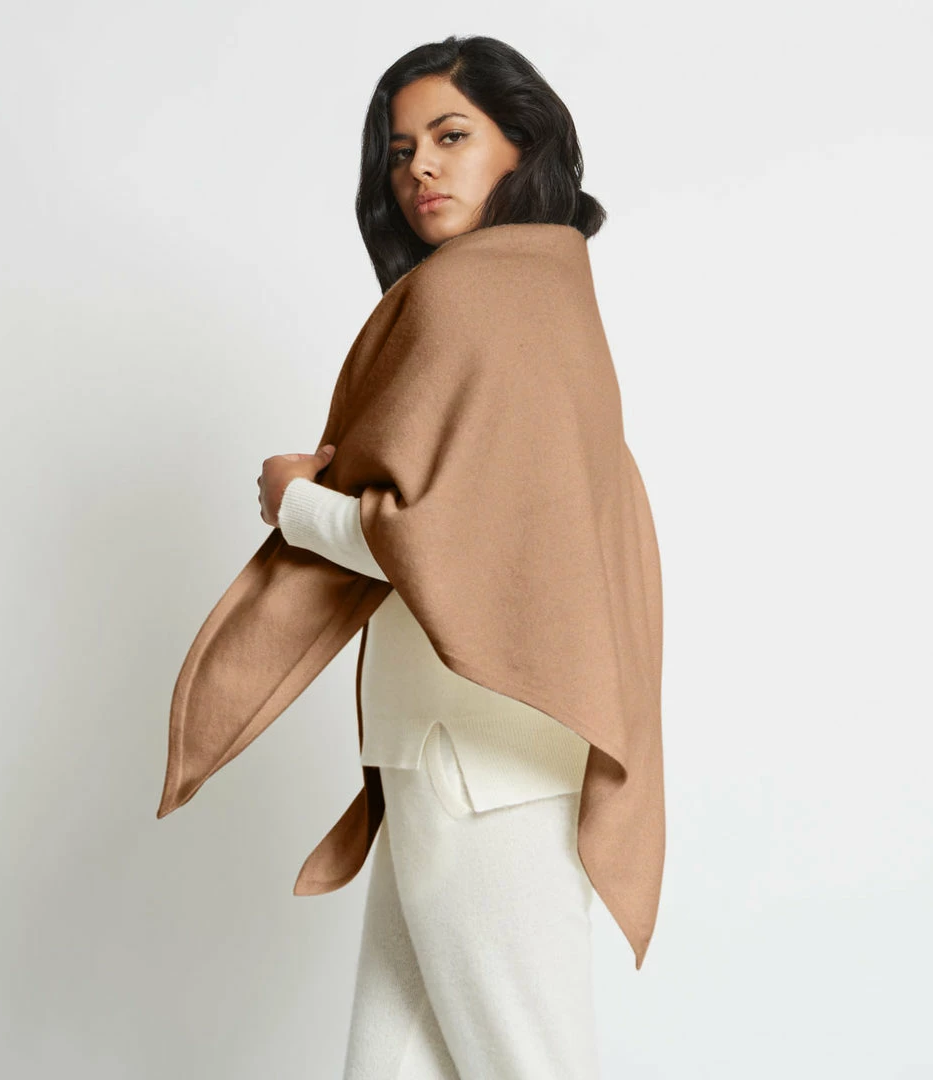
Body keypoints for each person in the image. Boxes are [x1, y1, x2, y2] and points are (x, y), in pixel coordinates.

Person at [257, 36, 611, 1080]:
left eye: (452, 137)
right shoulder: (536, 292)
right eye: (402, 150)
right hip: (453, 749)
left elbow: (445, 537)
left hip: (474, 758)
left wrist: (298, 505)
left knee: (528, 1063)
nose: (420, 168)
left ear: (521, 145)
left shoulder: (482, 298)